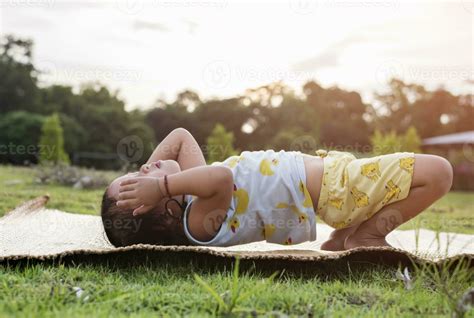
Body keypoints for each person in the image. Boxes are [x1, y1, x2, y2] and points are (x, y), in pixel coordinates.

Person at [101, 128, 453, 251]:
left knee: (422, 172)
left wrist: (153, 182)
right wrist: (160, 185)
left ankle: (347, 235)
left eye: (139, 172)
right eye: (136, 181)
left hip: (334, 178)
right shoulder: (198, 221)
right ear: (157, 207)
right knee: (439, 172)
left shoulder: (191, 193)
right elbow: (222, 179)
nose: (145, 169)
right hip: (337, 188)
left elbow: (179, 136)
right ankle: (367, 236)